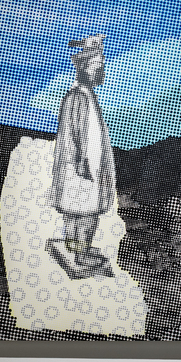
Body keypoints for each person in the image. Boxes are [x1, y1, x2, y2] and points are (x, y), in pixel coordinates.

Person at [46, 34, 116, 278]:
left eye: (100, 66)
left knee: (80, 209)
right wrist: (83, 163)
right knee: (83, 210)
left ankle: (78, 250)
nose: (100, 71)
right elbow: (76, 135)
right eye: (96, 66)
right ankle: (80, 254)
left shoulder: (85, 95)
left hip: (85, 165)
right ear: (84, 68)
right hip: (83, 166)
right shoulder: (77, 97)